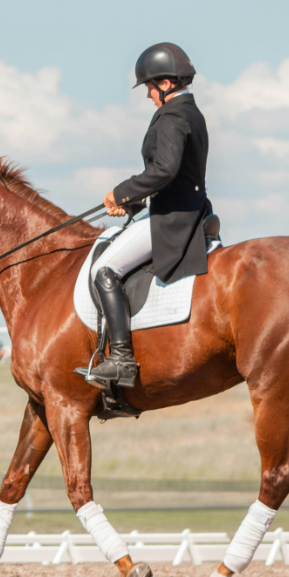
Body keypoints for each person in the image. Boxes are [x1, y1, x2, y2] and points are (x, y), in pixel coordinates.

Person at [83, 42, 212, 391]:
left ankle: (122, 358)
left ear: (166, 84)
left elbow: (165, 171)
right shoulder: (190, 112)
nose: (148, 95)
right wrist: (133, 203)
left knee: (103, 269)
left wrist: (121, 192)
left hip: (172, 219)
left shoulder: (172, 116)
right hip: (182, 207)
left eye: (150, 87)